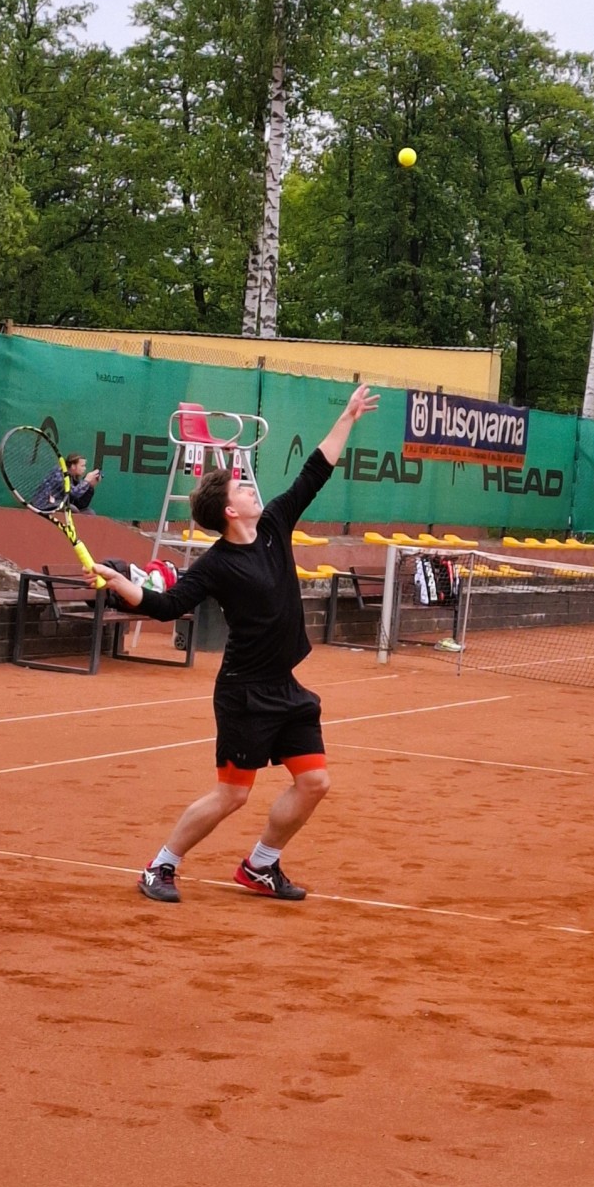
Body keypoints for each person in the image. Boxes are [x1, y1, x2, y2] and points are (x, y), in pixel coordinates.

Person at [86, 382, 380, 904]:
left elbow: (315, 471)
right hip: (245, 693)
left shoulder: (274, 525)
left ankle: (260, 866)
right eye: (242, 489)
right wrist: (120, 584)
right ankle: (160, 866)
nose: (251, 491)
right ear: (229, 511)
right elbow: (166, 606)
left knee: (315, 783)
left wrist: (348, 418)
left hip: (285, 687)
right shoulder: (216, 565)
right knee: (233, 794)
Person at [32, 453, 101, 513]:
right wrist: (86, 480)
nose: (84, 468)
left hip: (59, 504)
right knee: (72, 508)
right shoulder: (59, 473)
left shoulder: (73, 478)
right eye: (82, 466)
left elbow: (80, 504)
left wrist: (90, 486)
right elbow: (74, 493)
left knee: (89, 512)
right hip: (44, 504)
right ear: (73, 466)